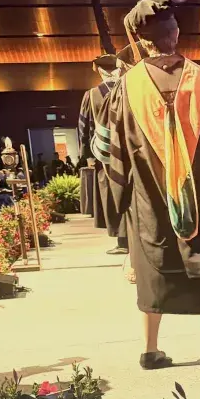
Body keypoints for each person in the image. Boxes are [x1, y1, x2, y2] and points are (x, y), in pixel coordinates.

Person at [92, 0, 200, 369]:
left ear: (141, 41)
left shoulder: (125, 87)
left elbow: (107, 152)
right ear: (175, 33)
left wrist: (118, 201)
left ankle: (150, 350)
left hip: (150, 204)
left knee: (154, 273)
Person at [78, 53, 128, 255]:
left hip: (105, 155)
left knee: (110, 194)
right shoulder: (128, 90)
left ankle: (122, 241)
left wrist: (87, 155)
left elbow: (84, 126)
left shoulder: (91, 94)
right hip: (129, 154)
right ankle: (132, 238)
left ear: (99, 71)